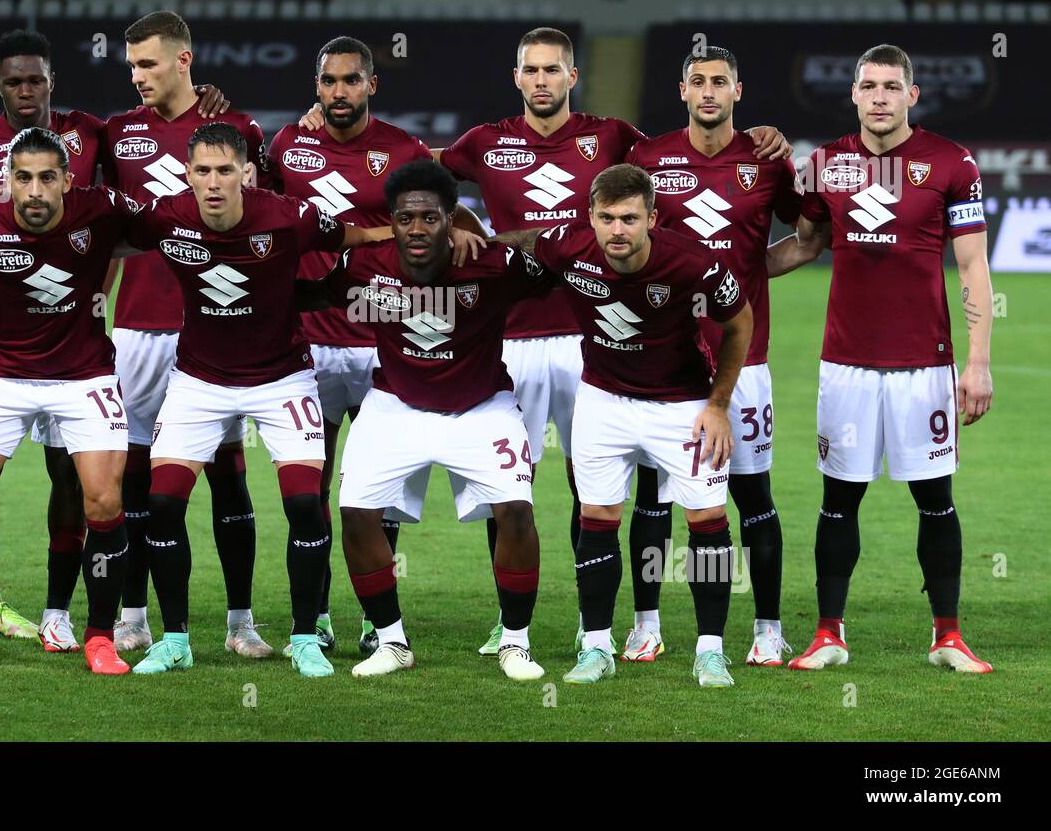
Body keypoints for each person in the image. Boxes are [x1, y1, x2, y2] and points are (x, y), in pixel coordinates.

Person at [121, 122, 393, 677]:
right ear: (188, 174)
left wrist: (446, 227)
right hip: (199, 380)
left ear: (246, 172)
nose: (214, 182)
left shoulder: (287, 216)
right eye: (203, 171)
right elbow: (101, 231)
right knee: (165, 503)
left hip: (282, 377)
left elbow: (354, 237)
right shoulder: (167, 216)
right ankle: (174, 640)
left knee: (303, 504)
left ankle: (303, 638)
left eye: (226, 170)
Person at [767, 44, 994, 674]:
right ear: (854, 94)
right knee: (839, 499)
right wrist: (726, 276)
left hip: (926, 364)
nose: (879, 97)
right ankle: (828, 634)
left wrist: (977, 363)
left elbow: (973, 265)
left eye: (892, 87)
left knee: (935, 499)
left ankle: (947, 635)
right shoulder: (825, 165)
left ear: (911, 96)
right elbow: (803, 245)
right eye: (868, 86)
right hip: (846, 363)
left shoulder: (952, 163)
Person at [497, 164, 754, 688]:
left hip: (681, 406)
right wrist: (467, 236)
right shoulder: (570, 249)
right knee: (597, 517)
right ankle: (596, 647)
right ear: (588, 218)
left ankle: (710, 651)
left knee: (707, 519)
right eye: (607, 218)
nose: (618, 230)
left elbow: (739, 323)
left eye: (630, 219)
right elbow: (525, 240)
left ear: (652, 218)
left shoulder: (694, 264)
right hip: (602, 402)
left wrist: (719, 405)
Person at [267, 35, 481, 656]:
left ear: (371, 85)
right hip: (306, 339)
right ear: (317, 85)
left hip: (383, 337)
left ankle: (374, 619)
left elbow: (448, 217)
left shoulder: (404, 150)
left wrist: (469, 237)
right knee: (309, 489)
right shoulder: (287, 146)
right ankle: (314, 616)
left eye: (351, 81)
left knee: (380, 489)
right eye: (329, 81)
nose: (339, 92)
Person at [299, 158, 551, 681]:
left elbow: (561, 263)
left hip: (482, 407)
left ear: (451, 218)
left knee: (516, 511)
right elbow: (312, 293)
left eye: (431, 219)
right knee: (356, 511)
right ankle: (391, 641)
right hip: (396, 405)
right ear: (390, 220)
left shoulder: (492, 265)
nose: (417, 229)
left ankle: (515, 642)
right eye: (406, 218)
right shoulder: (364, 266)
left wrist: (493, 236)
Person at [0, 127, 138, 675]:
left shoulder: (102, 210)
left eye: (46, 178)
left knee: (104, 503)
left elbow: (174, 227)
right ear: (6, 182)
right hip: (4, 375)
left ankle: (100, 639)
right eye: (23, 178)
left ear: (66, 180)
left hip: (83, 377)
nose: (35, 191)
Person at [621, 45, 801, 666]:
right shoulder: (647, 158)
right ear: (681, 90)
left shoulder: (766, 161)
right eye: (697, 81)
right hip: (665, 361)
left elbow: (810, 239)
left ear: (737, 91)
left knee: (753, 497)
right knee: (655, 498)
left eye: (718, 82)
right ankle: (646, 625)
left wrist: (752, 272)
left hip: (744, 362)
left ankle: (769, 629)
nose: (707, 92)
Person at [102, 11, 270, 657]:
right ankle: (134, 616)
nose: (138, 77)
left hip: (216, 327)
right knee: (138, 481)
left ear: (183, 60)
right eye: (132, 66)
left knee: (228, 476)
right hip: (138, 331)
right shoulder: (118, 134)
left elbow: (272, 218)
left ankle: (240, 623)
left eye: (148, 64)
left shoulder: (236, 132)